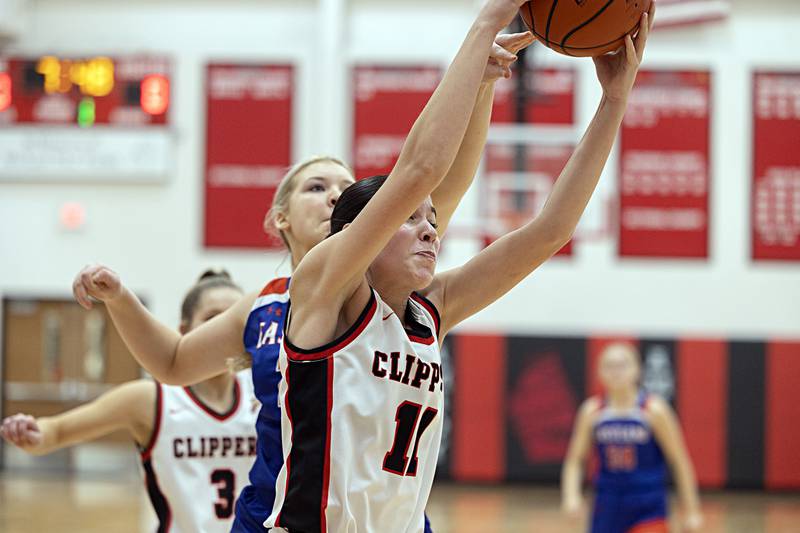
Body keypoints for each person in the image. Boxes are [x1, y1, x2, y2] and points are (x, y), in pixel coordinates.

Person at [70, 31, 534, 533]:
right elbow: (174, 362)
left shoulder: (393, 291)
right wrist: (120, 298)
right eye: (317, 187)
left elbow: (447, 179)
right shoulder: (265, 307)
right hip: (281, 513)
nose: (336, 195)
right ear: (280, 219)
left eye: (345, 186)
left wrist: (482, 86)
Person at [264, 1, 656, 530]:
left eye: (432, 219)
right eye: (409, 219)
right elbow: (420, 170)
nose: (430, 229)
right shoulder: (323, 289)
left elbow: (550, 231)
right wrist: (487, 22)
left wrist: (613, 100)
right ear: (361, 234)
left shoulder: (430, 314)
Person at [1, 270, 257, 533]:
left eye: (233, 321)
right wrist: (31, 433)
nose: (223, 333)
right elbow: (56, 431)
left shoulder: (264, 391)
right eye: (213, 319)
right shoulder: (151, 400)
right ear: (184, 330)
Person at [561, 342, 703, 533]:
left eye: (622, 365)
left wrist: (692, 510)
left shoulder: (654, 410)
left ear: (637, 370)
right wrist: (571, 496)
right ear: (599, 372)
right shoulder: (592, 411)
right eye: (609, 366)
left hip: (648, 504)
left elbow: (678, 461)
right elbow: (575, 460)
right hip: (608, 504)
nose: (616, 372)